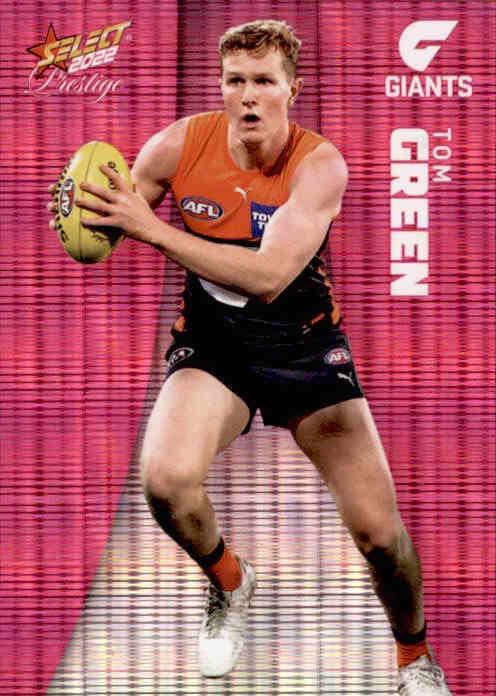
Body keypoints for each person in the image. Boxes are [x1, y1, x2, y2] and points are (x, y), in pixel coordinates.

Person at [49, 19, 451, 694]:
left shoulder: (320, 166)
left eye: (264, 81)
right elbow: (109, 223)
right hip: (217, 348)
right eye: (235, 80)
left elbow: (268, 276)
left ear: (293, 89)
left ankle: (416, 658)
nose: (248, 96)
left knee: (381, 537)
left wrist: (152, 231)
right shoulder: (178, 145)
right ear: (221, 86)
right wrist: (79, 214)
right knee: (166, 481)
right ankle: (232, 582)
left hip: (305, 349)